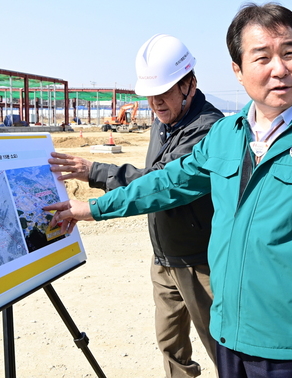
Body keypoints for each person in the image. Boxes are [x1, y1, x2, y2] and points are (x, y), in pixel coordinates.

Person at [46, 3, 292, 378]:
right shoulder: (226, 135)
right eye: (262, 57)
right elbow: (166, 182)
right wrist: (92, 209)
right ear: (237, 71)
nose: (280, 68)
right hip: (227, 331)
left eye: (290, 53)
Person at [48, 34, 224, 378]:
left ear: (190, 83)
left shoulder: (207, 130)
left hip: (200, 264)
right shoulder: (165, 120)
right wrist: (91, 171)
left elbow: (158, 185)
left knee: (221, 347)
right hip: (165, 258)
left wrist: (94, 196)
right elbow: (149, 175)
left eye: (164, 93)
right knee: (170, 345)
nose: (155, 104)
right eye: (149, 96)